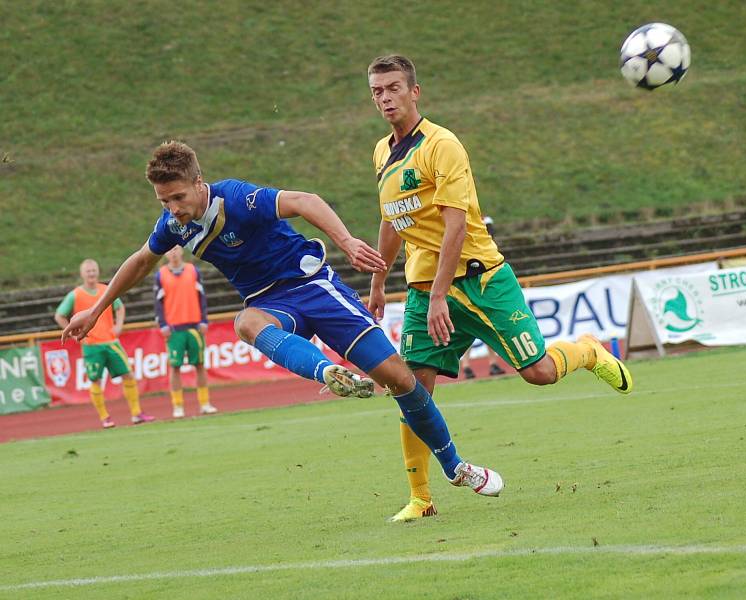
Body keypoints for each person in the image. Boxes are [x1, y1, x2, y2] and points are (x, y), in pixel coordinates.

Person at [61, 140, 503, 503]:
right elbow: (141, 261)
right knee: (245, 323)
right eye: (164, 201)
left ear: (199, 183)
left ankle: (455, 466)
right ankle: (327, 372)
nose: (173, 208)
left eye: (178, 197)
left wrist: (347, 241)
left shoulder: (235, 197)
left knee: (401, 382)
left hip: (314, 288)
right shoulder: (173, 226)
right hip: (270, 302)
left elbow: (305, 200)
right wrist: (96, 309)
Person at [366, 54, 634, 522]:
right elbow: (393, 220)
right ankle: (421, 498)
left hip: (481, 279)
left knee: (540, 374)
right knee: (411, 388)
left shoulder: (443, 146)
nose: (385, 98)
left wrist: (437, 297)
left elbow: (455, 227)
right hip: (424, 286)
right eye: (376, 91)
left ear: (415, 91)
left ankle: (589, 351)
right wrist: (378, 280)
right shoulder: (380, 153)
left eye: (392, 88)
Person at [54, 259, 155, 429]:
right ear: (82, 274)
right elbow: (59, 315)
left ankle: (137, 413)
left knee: (128, 375)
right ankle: (105, 417)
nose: (91, 273)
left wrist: (118, 326)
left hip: (111, 342)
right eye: (88, 271)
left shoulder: (105, 290)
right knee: (95, 380)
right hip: (91, 345)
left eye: (93, 270)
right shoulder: (75, 295)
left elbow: (119, 307)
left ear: (98, 272)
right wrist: (72, 333)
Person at [154, 245, 217, 418]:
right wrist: (163, 324)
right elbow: (158, 303)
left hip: (195, 326)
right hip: (174, 328)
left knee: (200, 365)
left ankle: (204, 403)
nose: (173, 253)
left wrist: (204, 320)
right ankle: (178, 406)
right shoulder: (161, 275)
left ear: (181, 250)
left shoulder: (193, 270)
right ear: (165, 254)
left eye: (175, 249)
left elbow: (201, 297)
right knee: (175, 367)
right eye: (169, 250)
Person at [460, 216, 505, 379]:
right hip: (476, 287)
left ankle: (481, 364)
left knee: (481, 327)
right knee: (479, 327)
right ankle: (471, 364)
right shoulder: (477, 241)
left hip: (475, 287)